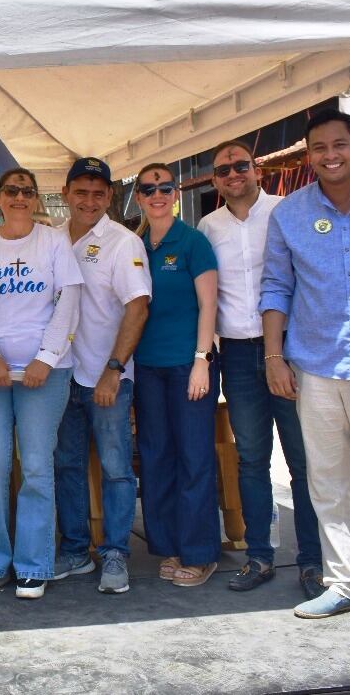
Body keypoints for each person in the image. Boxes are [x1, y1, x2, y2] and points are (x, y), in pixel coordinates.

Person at [260, 109, 350, 628]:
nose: (331, 155)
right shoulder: (290, 214)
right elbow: (276, 287)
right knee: (325, 481)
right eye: (320, 148)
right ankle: (342, 583)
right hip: (314, 365)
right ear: (309, 156)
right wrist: (273, 356)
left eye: (339, 145)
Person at [198, 141, 323, 597]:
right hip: (235, 352)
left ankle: (313, 560)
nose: (233, 174)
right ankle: (260, 556)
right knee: (251, 461)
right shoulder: (207, 227)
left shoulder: (286, 211)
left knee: (303, 461)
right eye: (223, 169)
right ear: (214, 180)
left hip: (289, 348)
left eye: (240, 166)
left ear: (258, 170)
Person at [0, 167, 83, 600]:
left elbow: (68, 301)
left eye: (27, 191)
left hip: (46, 373)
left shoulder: (54, 241)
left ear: (36, 199)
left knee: (36, 466)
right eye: (11, 191)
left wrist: (46, 359)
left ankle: (35, 563)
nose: (19, 197)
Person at [53, 158, 150, 595]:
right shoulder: (50, 241)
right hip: (58, 375)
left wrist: (114, 369)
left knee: (114, 469)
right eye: (81, 192)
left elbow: (137, 307)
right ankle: (75, 552)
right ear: (66, 193)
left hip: (105, 375)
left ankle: (115, 554)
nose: (89, 201)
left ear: (109, 196)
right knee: (67, 464)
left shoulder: (122, 242)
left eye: (98, 193)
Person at [131, 162, 221, 588]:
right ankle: (168, 545)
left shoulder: (193, 241)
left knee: (195, 458)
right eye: (148, 189)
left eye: (165, 187)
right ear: (138, 197)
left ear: (176, 191)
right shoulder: (133, 244)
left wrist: (202, 359)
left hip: (188, 364)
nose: (157, 194)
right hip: (146, 366)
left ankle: (200, 552)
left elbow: (208, 305)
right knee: (155, 456)